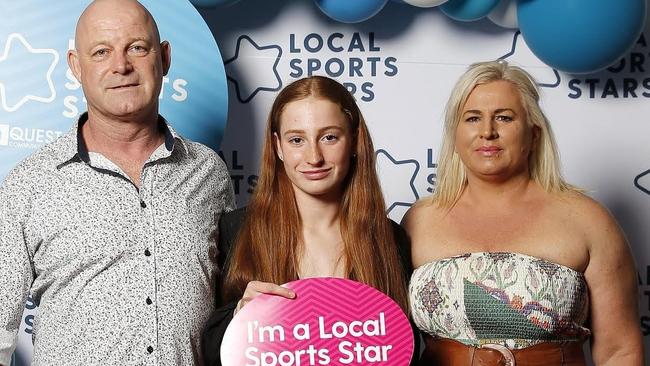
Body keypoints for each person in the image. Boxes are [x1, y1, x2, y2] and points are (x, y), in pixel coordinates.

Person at [0, 1, 235, 365]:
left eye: (137, 48)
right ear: (76, 66)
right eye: (101, 52)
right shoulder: (29, 184)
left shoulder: (209, 173)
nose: (121, 66)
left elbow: (230, 314)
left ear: (165, 57)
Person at [403, 60, 643, 365]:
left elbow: (619, 352)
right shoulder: (418, 221)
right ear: (455, 136)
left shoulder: (588, 221)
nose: (487, 131)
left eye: (504, 117)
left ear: (534, 133)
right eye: (472, 118)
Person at [202, 75, 414, 365]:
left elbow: (406, 347)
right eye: (297, 140)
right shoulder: (236, 230)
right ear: (278, 146)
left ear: (353, 140)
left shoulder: (389, 238)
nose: (314, 157)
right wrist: (240, 316)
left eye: (329, 137)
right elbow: (208, 351)